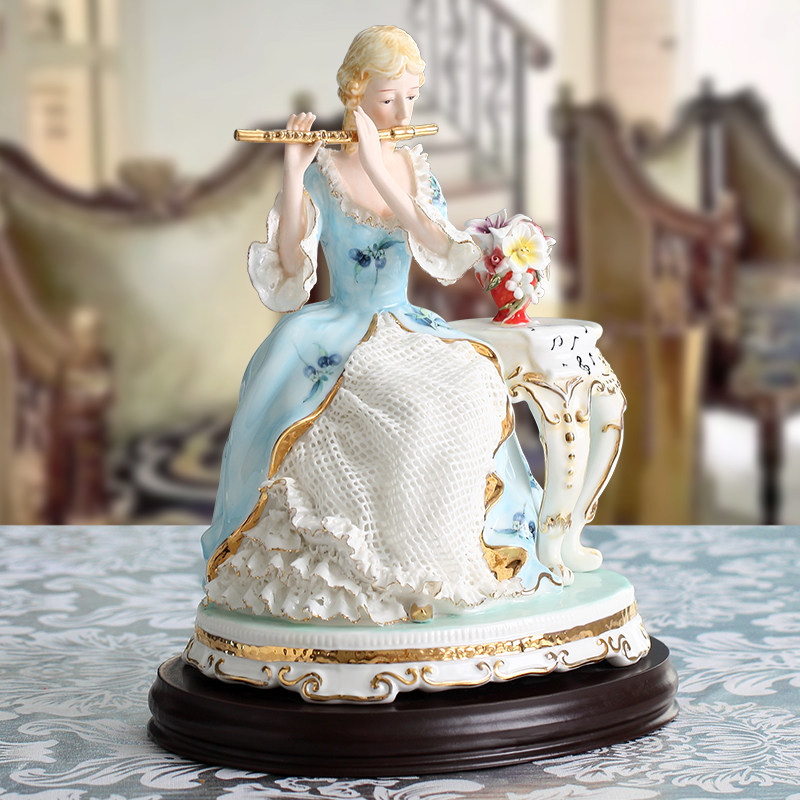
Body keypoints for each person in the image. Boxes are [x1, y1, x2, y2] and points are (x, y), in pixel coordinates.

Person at [201, 25, 560, 625]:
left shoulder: (411, 168)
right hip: (341, 328)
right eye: (389, 98)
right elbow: (290, 270)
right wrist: (293, 171)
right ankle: (388, 562)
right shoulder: (324, 173)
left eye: (411, 97)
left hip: (406, 324)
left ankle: (450, 551)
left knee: (476, 385)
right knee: (410, 410)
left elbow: (442, 251)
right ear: (356, 94)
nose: (403, 113)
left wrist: (381, 168)